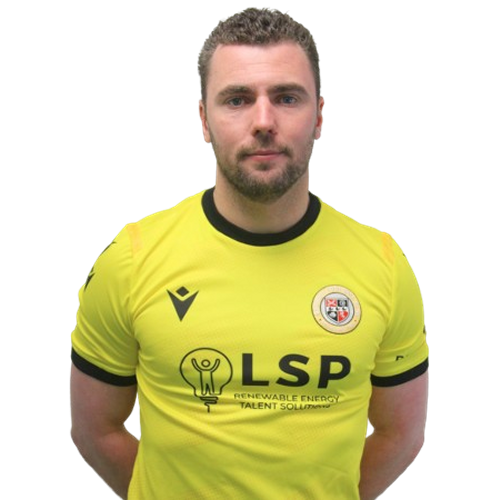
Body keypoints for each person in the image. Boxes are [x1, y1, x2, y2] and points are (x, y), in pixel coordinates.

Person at [69, 7, 429, 499]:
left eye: (286, 98)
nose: (263, 121)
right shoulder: (131, 258)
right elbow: (96, 430)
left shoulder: (383, 264)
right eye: (237, 99)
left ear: (319, 117)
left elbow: (399, 433)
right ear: (204, 120)